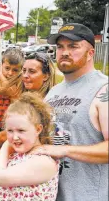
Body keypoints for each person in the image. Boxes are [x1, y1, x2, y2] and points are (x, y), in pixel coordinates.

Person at [33, 23, 108, 200]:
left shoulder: (103, 89)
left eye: (73, 46)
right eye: (60, 47)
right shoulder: (54, 92)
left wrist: (65, 150)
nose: (65, 52)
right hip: (51, 194)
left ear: (90, 53)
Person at [0, 52, 56, 153]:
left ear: (46, 76)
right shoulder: (26, 94)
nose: (25, 75)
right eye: (24, 71)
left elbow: (6, 136)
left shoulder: (41, 103)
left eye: (32, 71)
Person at [0, 48, 24, 170]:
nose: (10, 73)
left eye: (15, 70)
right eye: (7, 68)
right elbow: (9, 92)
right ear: (1, 65)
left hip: (7, 128)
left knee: (6, 157)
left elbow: (13, 94)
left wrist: (1, 74)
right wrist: (0, 76)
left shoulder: (19, 86)